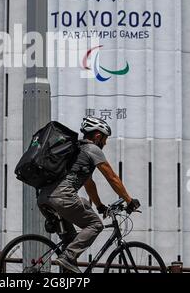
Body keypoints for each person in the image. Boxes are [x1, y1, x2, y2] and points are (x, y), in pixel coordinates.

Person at [37, 115, 140, 273]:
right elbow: (112, 177)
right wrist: (129, 200)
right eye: (105, 139)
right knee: (95, 225)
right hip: (62, 197)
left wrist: (99, 205)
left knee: (71, 240)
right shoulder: (92, 149)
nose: (105, 143)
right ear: (98, 136)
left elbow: (89, 183)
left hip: (44, 198)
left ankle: (67, 273)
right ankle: (68, 257)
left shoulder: (77, 150)